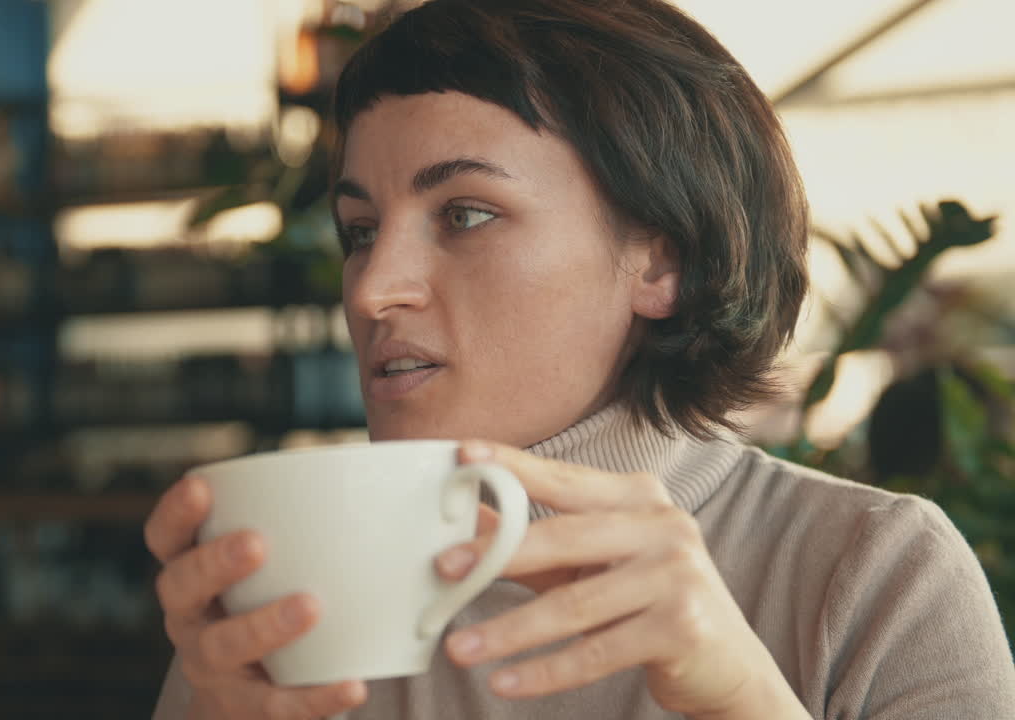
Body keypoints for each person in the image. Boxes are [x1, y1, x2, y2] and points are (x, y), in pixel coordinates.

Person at [145, 0, 1015, 717]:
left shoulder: (874, 575)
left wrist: (748, 701)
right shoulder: (297, 597)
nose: (373, 291)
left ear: (661, 260)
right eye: (360, 232)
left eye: (465, 215)